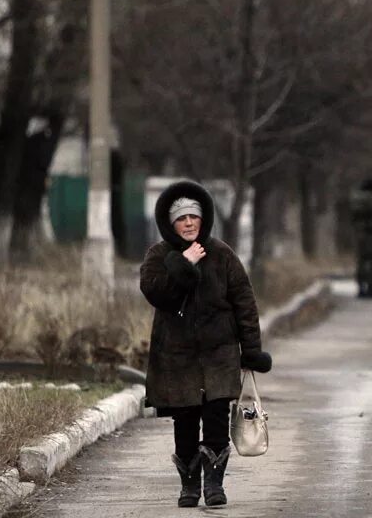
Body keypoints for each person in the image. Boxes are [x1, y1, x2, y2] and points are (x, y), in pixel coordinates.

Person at [140, 180, 272, 508]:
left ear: (203, 219)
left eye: (193, 217)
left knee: (215, 420)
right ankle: (189, 487)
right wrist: (183, 265)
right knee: (184, 422)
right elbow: (156, 294)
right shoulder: (158, 256)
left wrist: (251, 349)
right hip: (177, 357)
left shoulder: (222, 254)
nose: (188, 223)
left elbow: (244, 301)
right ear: (170, 223)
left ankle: (214, 484)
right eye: (181, 218)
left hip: (219, 355)